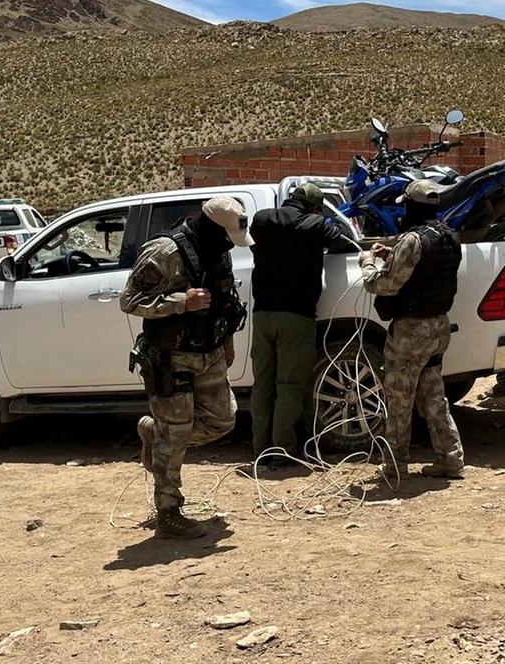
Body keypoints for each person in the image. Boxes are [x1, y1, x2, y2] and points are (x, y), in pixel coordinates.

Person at [121, 196, 250, 539]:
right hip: (171, 356)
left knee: (222, 421)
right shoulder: (165, 252)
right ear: (212, 227)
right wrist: (181, 302)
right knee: (176, 433)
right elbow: (129, 300)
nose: (229, 245)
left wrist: (227, 340)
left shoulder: (218, 250)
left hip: (209, 352)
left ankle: (155, 433)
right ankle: (168, 511)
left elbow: (225, 299)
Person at [360, 180, 465, 479]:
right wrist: (390, 253)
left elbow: (384, 285)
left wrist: (368, 263)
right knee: (433, 395)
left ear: (412, 206)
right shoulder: (448, 236)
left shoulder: (413, 240)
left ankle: (394, 464)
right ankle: (451, 458)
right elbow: (423, 264)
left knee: (399, 396)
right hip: (438, 328)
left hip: (411, 331)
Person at [248, 183, 345, 463]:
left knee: (263, 384)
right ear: (314, 207)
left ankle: (260, 449)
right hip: (296, 317)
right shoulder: (314, 225)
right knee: (289, 385)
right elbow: (337, 237)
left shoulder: (263, 219)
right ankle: (282, 450)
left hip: (263, 315)